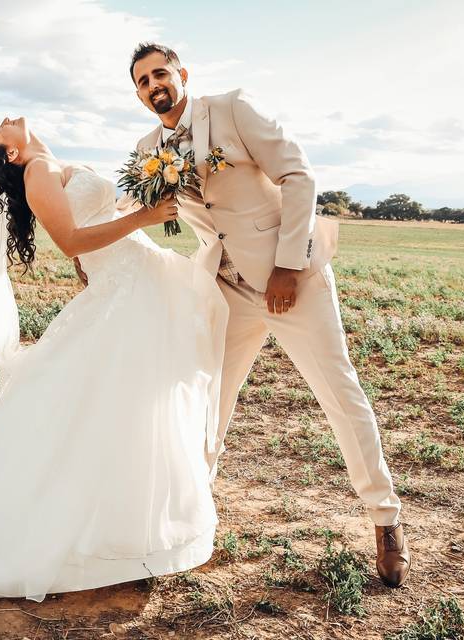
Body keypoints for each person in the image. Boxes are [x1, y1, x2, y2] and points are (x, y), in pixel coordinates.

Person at [103, 42, 410, 587]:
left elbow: (299, 175)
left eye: (161, 73)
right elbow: (128, 208)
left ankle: (386, 521)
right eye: (143, 80)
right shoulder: (147, 149)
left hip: (293, 279)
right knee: (204, 405)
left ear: (182, 75)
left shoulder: (233, 109)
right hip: (224, 289)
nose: (154, 85)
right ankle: (188, 523)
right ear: (137, 93)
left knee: (340, 395)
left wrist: (289, 266)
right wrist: (93, 249)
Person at [0, 115, 230, 602]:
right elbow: (69, 237)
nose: (2, 121)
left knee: (137, 399)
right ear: (10, 154)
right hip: (126, 289)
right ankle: (112, 524)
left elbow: (80, 232)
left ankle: (135, 516)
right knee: (120, 398)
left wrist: (127, 217)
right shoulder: (36, 171)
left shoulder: (50, 165)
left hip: (136, 278)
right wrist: (143, 219)